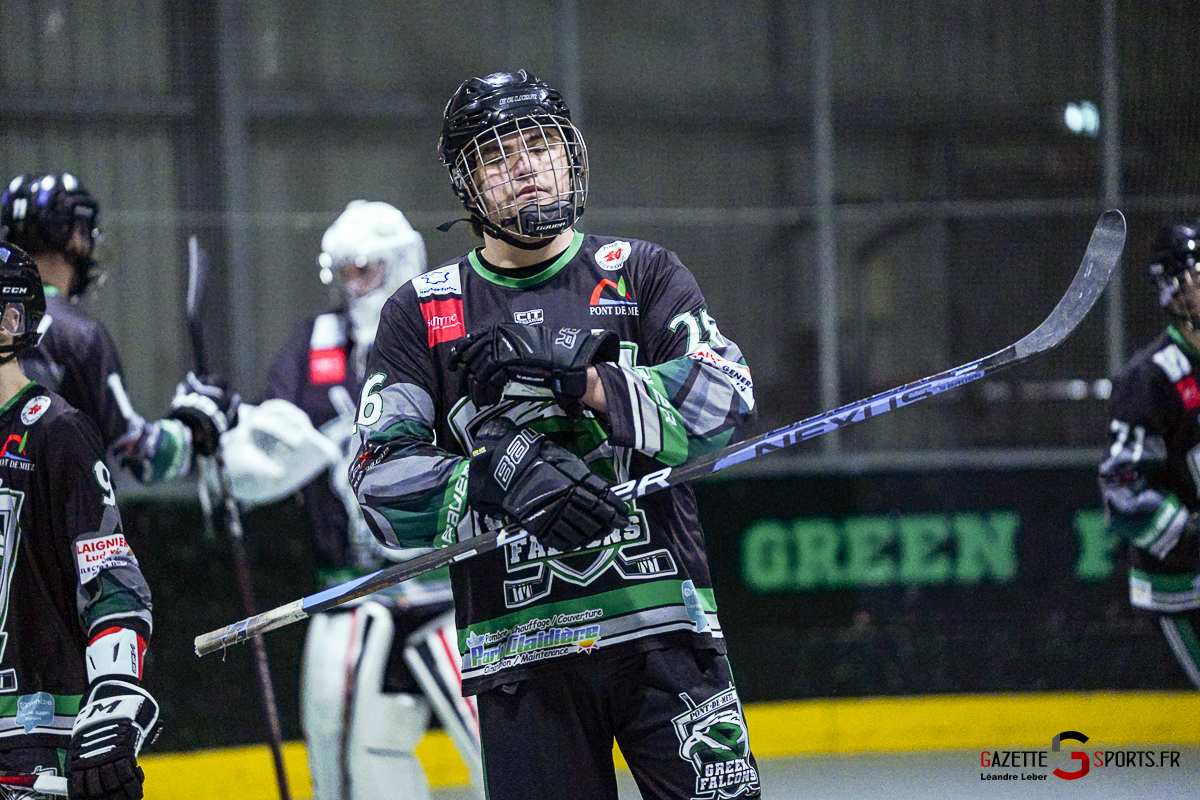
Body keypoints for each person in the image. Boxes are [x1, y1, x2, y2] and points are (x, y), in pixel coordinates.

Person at [350, 70, 761, 800]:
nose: (527, 167)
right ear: (466, 183)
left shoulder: (640, 271)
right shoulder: (422, 312)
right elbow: (379, 489)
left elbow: (726, 401)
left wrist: (587, 384)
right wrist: (491, 474)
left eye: (541, 145)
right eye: (499, 155)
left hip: (666, 636)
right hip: (522, 656)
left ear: (568, 155)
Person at [219, 200, 482, 800]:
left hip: (450, 581)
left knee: (499, 739)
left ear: (400, 262)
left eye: (364, 269)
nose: (351, 285)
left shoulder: (449, 328)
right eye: (342, 271)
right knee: (349, 756)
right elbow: (270, 441)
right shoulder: (316, 337)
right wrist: (233, 450)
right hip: (350, 586)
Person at [0, 242, 158, 799]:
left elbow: (112, 582)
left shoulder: (56, 431)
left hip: (35, 740)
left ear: (11, 323)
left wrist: (113, 700)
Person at [0, 172, 233, 487]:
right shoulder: (78, 336)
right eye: (85, 230)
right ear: (71, 236)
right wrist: (193, 427)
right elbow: (136, 454)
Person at [1099, 219, 1200, 690]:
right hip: (1184, 591)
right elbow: (1122, 487)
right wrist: (1191, 536)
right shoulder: (1151, 377)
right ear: (1175, 288)